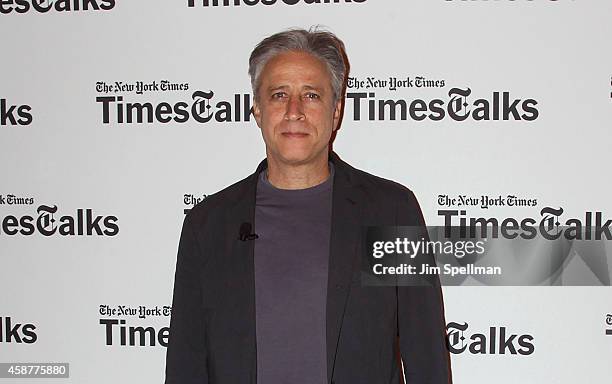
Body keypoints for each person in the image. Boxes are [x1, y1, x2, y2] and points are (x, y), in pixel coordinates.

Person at [165, 27, 452, 384]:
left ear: (336, 112)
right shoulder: (207, 224)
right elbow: (185, 361)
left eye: (311, 95)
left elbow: (425, 351)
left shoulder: (390, 210)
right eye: (279, 94)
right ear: (257, 109)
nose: (294, 111)